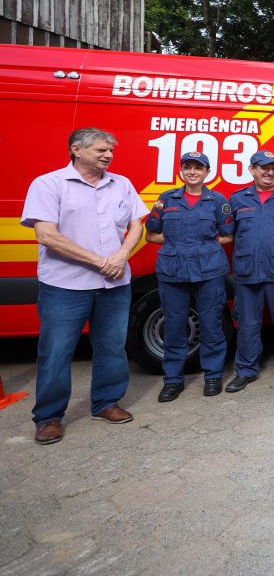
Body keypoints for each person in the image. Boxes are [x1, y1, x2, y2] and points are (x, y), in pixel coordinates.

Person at [21, 128, 148, 444]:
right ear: (77, 149)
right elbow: (46, 235)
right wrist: (98, 260)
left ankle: (106, 402)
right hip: (66, 286)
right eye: (102, 150)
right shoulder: (49, 184)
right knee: (56, 351)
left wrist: (120, 255)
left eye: (111, 151)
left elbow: (137, 224)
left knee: (111, 346)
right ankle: (49, 417)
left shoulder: (122, 184)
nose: (108, 155)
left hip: (114, 283)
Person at [145, 152, 234, 402]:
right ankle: (173, 381)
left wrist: (200, 244)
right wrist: (179, 242)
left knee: (211, 324)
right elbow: (150, 235)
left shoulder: (217, 201)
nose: (193, 171)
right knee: (174, 326)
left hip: (208, 271)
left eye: (198, 167)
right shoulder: (167, 199)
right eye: (188, 167)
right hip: (173, 272)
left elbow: (227, 235)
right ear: (181, 171)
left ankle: (213, 375)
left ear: (207, 172)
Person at [225, 150, 274, 392]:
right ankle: (246, 370)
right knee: (248, 323)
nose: (269, 172)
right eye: (263, 167)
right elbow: (227, 235)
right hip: (248, 272)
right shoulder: (237, 199)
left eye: (273, 167)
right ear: (252, 170)